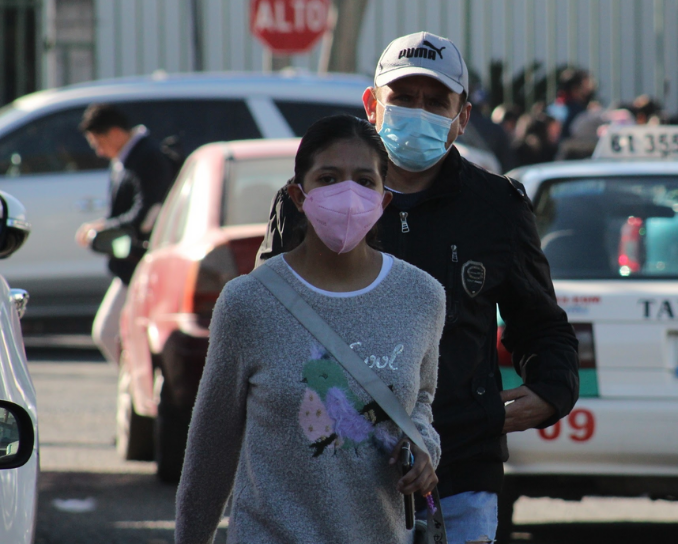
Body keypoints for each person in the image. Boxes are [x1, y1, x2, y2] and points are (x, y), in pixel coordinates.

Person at [256, 31, 580, 544]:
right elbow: (267, 321)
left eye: (435, 102)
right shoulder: (311, 199)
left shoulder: (496, 207)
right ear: (372, 105)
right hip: (334, 470)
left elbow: (541, 324)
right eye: (403, 99)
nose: (418, 112)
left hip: (460, 474)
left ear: (462, 117)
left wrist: (554, 388)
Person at [175, 115, 446, 543]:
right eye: (329, 178)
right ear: (298, 196)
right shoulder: (247, 302)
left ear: (384, 200)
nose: (348, 194)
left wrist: (426, 448)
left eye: (364, 180)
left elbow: (421, 401)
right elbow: (212, 447)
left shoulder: (422, 297)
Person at [74, 104, 176, 363]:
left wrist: (105, 228)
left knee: (108, 331)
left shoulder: (148, 157)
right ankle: (134, 388)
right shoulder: (128, 158)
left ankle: (135, 390)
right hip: (131, 262)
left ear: (116, 132)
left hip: (142, 262)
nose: (98, 150)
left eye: (99, 141)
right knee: (116, 333)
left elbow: (145, 214)